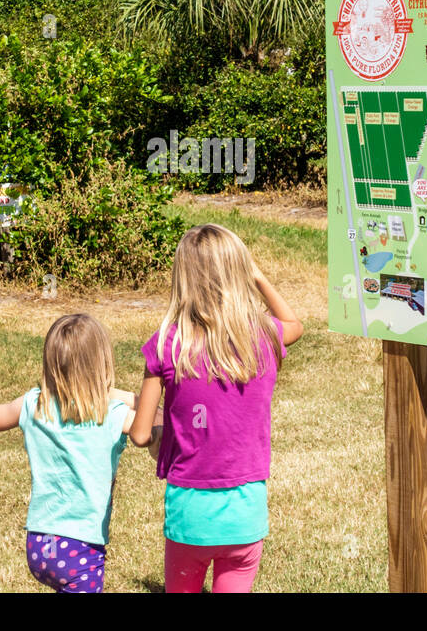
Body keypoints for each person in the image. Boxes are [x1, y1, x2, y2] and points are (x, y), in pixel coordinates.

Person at [128, 224, 303, 593]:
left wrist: (162, 426)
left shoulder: (166, 345)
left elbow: (141, 435)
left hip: (188, 517)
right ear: (240, 271)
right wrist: (257, 277)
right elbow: (294, 325)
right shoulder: (263, 336)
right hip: (246, 513)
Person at [0, 315, 155, 592]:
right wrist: (114, 392)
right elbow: (153, 417)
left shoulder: (34, 404)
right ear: (103, 363)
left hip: (38, 545)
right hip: (81, 548)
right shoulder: (111, 415)